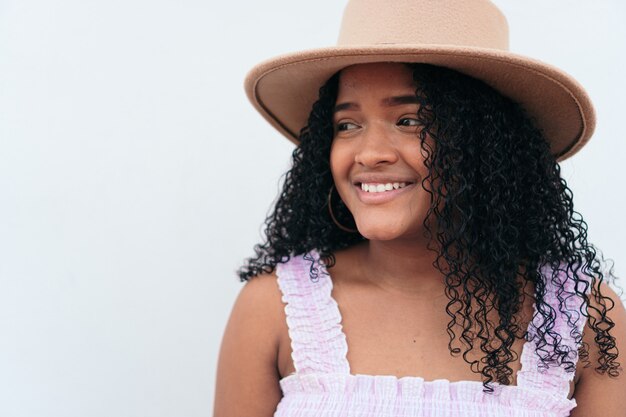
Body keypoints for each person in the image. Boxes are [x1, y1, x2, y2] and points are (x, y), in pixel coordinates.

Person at [214, 0, 626, 416]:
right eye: (347, 125)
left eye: (410, 120)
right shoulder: (275, 308)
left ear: (485, 140)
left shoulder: (579, 321)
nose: (369, 153)